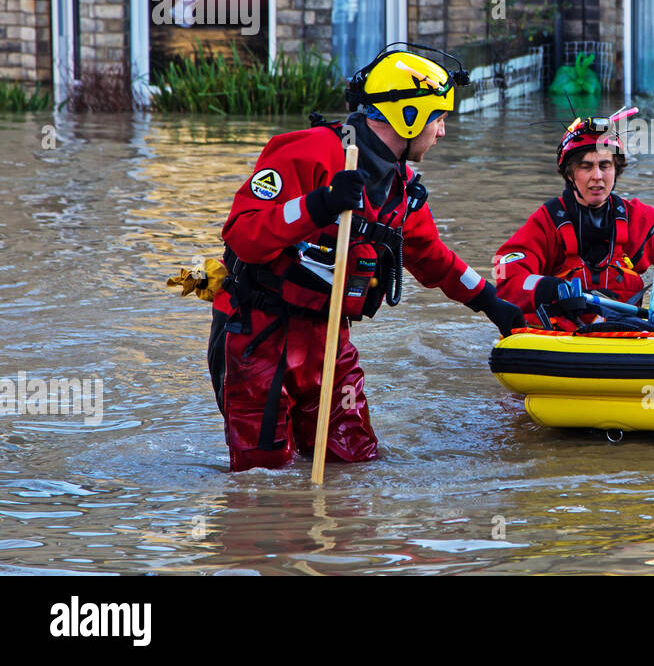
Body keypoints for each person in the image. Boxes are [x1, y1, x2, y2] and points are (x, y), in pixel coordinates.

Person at [208, 46, 523, 472]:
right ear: (408, 116)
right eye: (439, 119)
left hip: (329, 339)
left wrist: (490, 302)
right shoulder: (309, 151)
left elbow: (433, 258)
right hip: (257, 336)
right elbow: (243, 234)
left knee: (354, 465)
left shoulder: (402, 189)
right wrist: (319, 205)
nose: (442, 133)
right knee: (264, 478)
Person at [495, 113, 654, 330]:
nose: (597, 176)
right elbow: (504, 274)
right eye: (586, 167)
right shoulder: (547, 222)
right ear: (569, 174)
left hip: (624, 337)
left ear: (616, 169)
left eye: (605, 165)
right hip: (561, 340)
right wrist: (547, 287)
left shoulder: (638, 219)